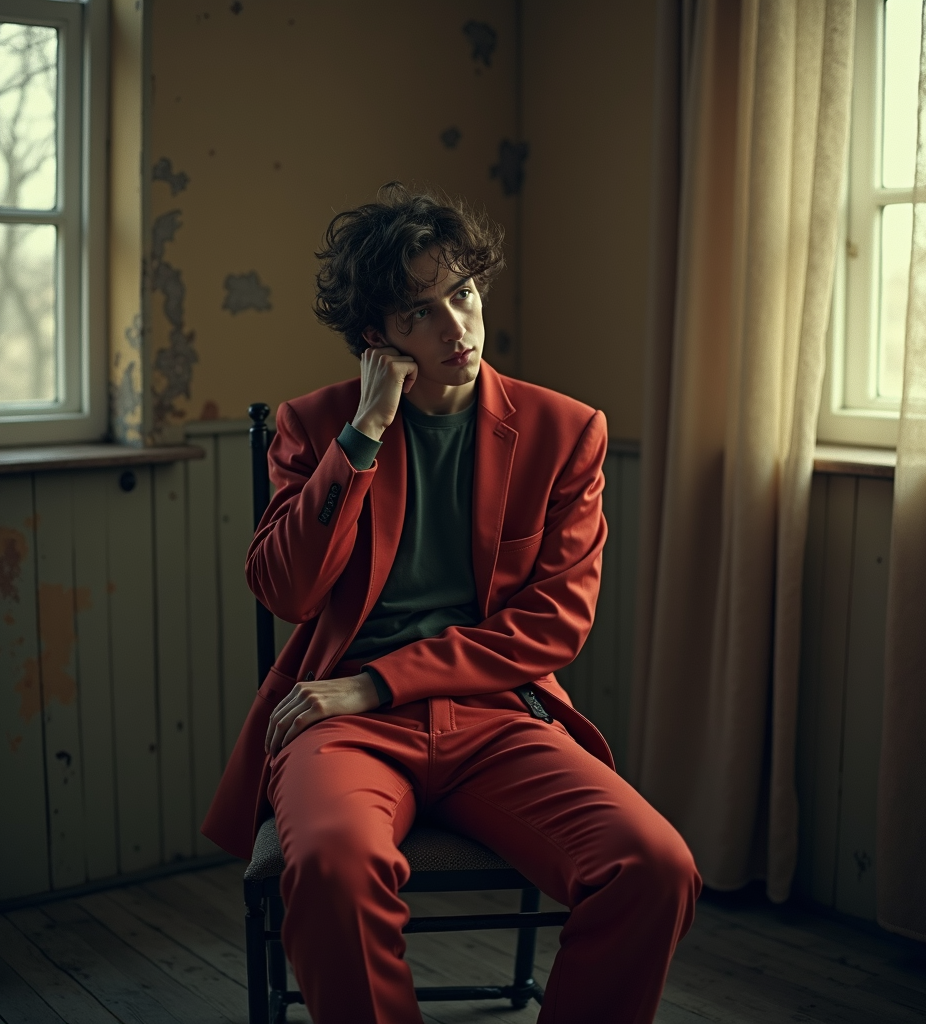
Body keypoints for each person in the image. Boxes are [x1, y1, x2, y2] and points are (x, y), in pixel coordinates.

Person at [202, 183, 700, 1023]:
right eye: (420, 313)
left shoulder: (565, 430)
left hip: (494, 714)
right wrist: (363, 433)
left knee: (653, 865)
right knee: (329, 866)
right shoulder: (316, 425)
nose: (456, 329)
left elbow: (554, 624)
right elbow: (286, 589)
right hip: (338, 722)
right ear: (376, 336)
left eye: (462, 294)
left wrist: (381, 681)